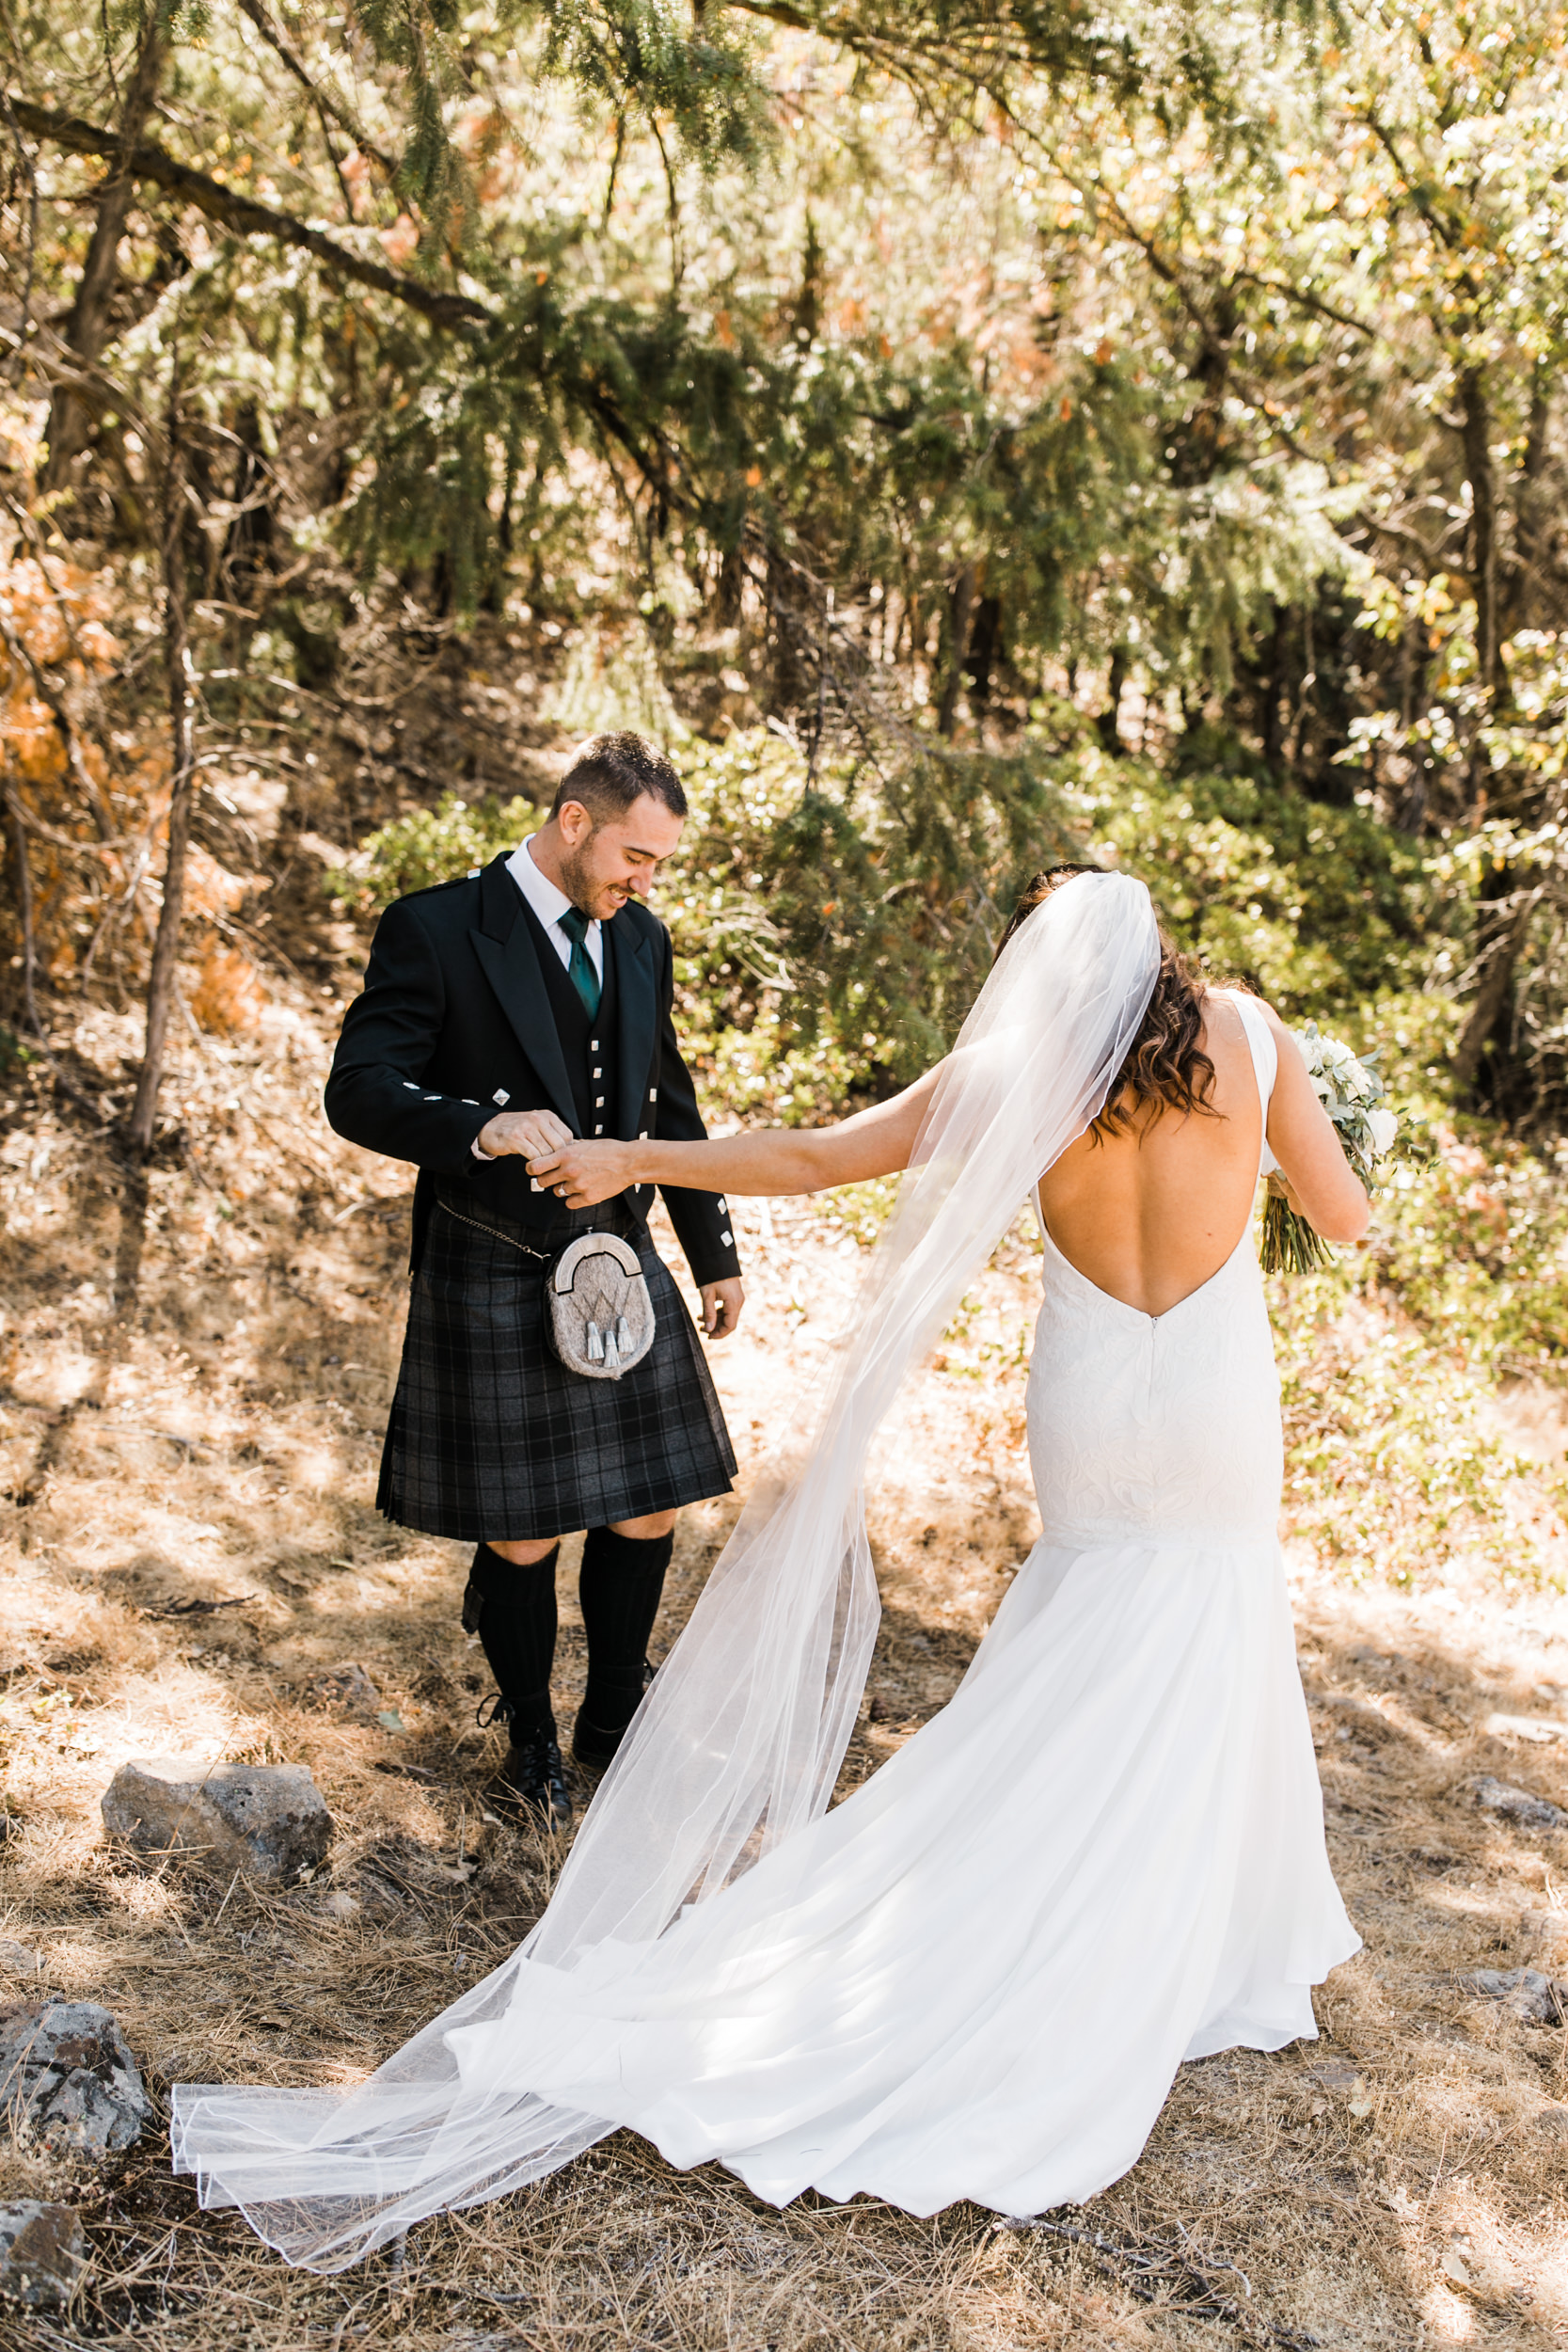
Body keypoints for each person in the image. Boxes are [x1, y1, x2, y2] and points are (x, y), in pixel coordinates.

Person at [174, 866, 1365, 2271]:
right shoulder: (1246, 1030)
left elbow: (804, 1156)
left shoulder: (1017, 1075)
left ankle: (1072, 1900)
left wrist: (634, 1160)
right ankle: (1184, 1935)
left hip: (1094, 1404)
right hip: (1213, 1404)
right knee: (1204, 1616)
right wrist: (1311, 1130)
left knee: (1089, 1624)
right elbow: (1341, 1217)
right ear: (1160, 953)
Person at [322, 731, 744, 1829]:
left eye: (656, 864)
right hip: (499, 1256)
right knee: (524, 1528)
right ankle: (530, 1740)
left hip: (620, 1249)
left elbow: (670, 1103)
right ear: (573, 823)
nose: (644, 881)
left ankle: (612, 1711)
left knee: (653, 1501)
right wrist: (479, 1126)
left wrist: (712, 1248)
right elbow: (358, 1091)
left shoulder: (639, 938)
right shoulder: (439, 927)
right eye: (635, 856)